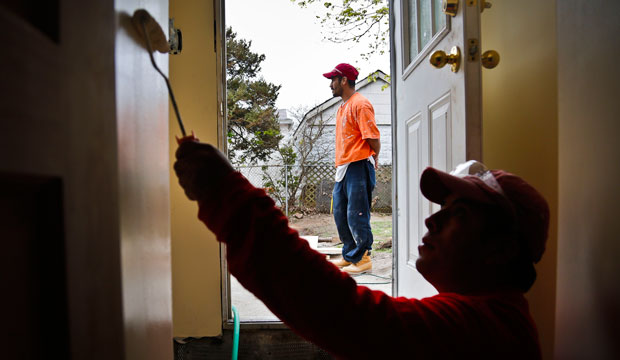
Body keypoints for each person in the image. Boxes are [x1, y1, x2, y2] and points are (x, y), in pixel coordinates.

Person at [174, 141, 550, 359]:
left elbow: (342, 311)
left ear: (500, 250)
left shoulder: (483, 330)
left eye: (459, 216)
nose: (431, 222)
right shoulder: (492, 316)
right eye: (441, 211)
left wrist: (226, 194)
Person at [322, 63, 381, 274]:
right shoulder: (342, 107)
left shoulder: (360, 104)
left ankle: (363, 257)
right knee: (340, 212)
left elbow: (373, 138)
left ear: (344, 80)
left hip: (358, 165)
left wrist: (374, 157)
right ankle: (350, 254)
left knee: (357, 213)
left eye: (333, 79)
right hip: (344, 167)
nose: (331, 84)